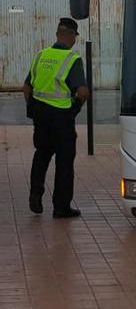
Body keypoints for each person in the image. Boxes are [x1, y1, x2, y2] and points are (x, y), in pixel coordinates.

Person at [22, 18, 89, 218]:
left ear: (57, 34)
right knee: (65, 161)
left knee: (41, 154)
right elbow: (83, 92)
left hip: (40, 115)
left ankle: (35, 194)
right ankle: (61, 207)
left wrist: (32, 109)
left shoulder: (40, 55)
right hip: (61, 117)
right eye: (75, 37)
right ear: (70, 35)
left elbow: (26, 87)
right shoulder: (72, 59)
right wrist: (74, 109)